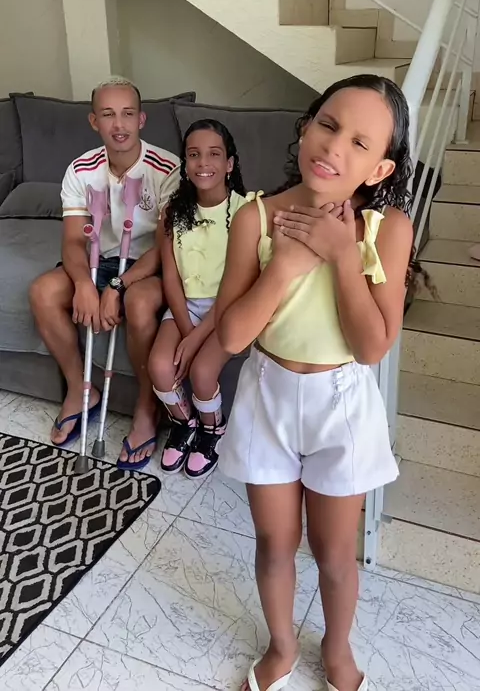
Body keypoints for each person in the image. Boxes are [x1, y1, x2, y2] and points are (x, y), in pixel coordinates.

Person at [215, 75, 415, 691]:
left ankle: (336, 647)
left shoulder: (388, 230)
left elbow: (372, 346)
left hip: (342, 406)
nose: (334, 146)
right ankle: (280, 646)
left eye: (359, 142)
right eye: (327, 124)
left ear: (380, 169)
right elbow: (231, 336)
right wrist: (286, 267)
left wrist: (342, 255)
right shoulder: (255, 216)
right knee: (274, 542)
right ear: (305, 129)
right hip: (268, 395)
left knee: (333, 553)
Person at [29, 76, 179, 470]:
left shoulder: (167, 169)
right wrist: (83, 283)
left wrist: (117, 285)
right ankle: (81, 390)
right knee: (43, 292)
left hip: (149, 266)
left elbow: (166, 249)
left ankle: (147, 408)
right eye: (108, 115)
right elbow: (73, 241)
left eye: (128, 114)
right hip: (100, 260)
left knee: (140, 301)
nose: (119, 124)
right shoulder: (80, 170)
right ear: (94, 121)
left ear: (141, 119)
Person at [148, 119, 247, 479]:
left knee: (203, 371)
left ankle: (212, 428)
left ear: (229, 163)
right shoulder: (173, 213)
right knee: (160, 366)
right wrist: (186, 329)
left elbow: (239, 285)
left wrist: (197, 338)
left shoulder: (246, 212)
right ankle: (184, 422)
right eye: (193, 155)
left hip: (228, 309)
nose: (203, 162)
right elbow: (170, 276)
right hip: (185, 307)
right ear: (185, 164)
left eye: (214, 154)